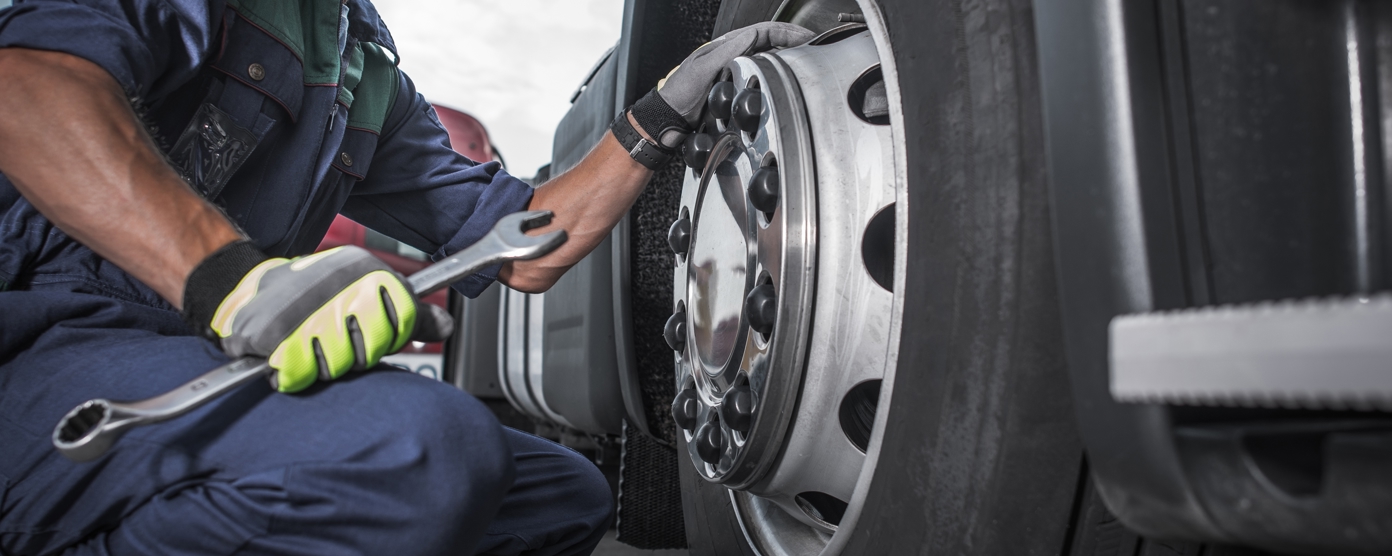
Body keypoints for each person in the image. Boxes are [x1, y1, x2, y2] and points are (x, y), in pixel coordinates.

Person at [0, 0, 812, 554]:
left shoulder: (362, 68)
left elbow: (525, 248)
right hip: (49, 347)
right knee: (418, 455)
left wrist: (659, 116)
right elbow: (28, 90)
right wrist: (235, 283)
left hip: (198, 358)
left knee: (559, 496)